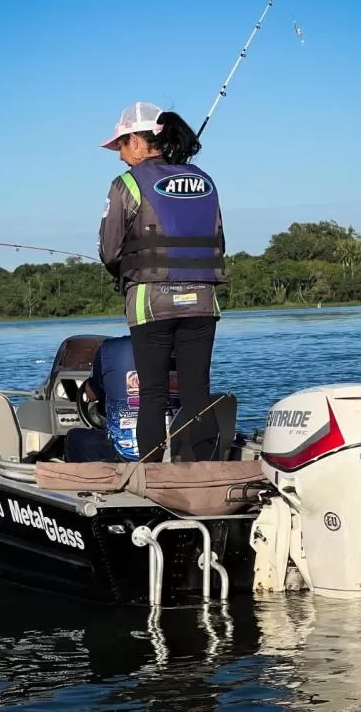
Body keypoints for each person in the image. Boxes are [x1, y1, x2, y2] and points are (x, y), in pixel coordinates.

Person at [97, 102, 226, 462]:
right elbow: (219, 239)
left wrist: (122, 273)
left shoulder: (126, 184)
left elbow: (110, 251)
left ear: (138, 141)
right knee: (198, 392)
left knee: (152, 393)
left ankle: (151, 480)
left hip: (150, 301)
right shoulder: (205, 180)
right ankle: (208, 475)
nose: (121, 156)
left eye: (122, 146)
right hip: (202, 300)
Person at [78, 335, 180, 462]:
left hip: (125, 452)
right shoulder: (179, 347)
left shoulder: (109, 348)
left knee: (74, 438)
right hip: (175, 449)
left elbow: (91, 394)